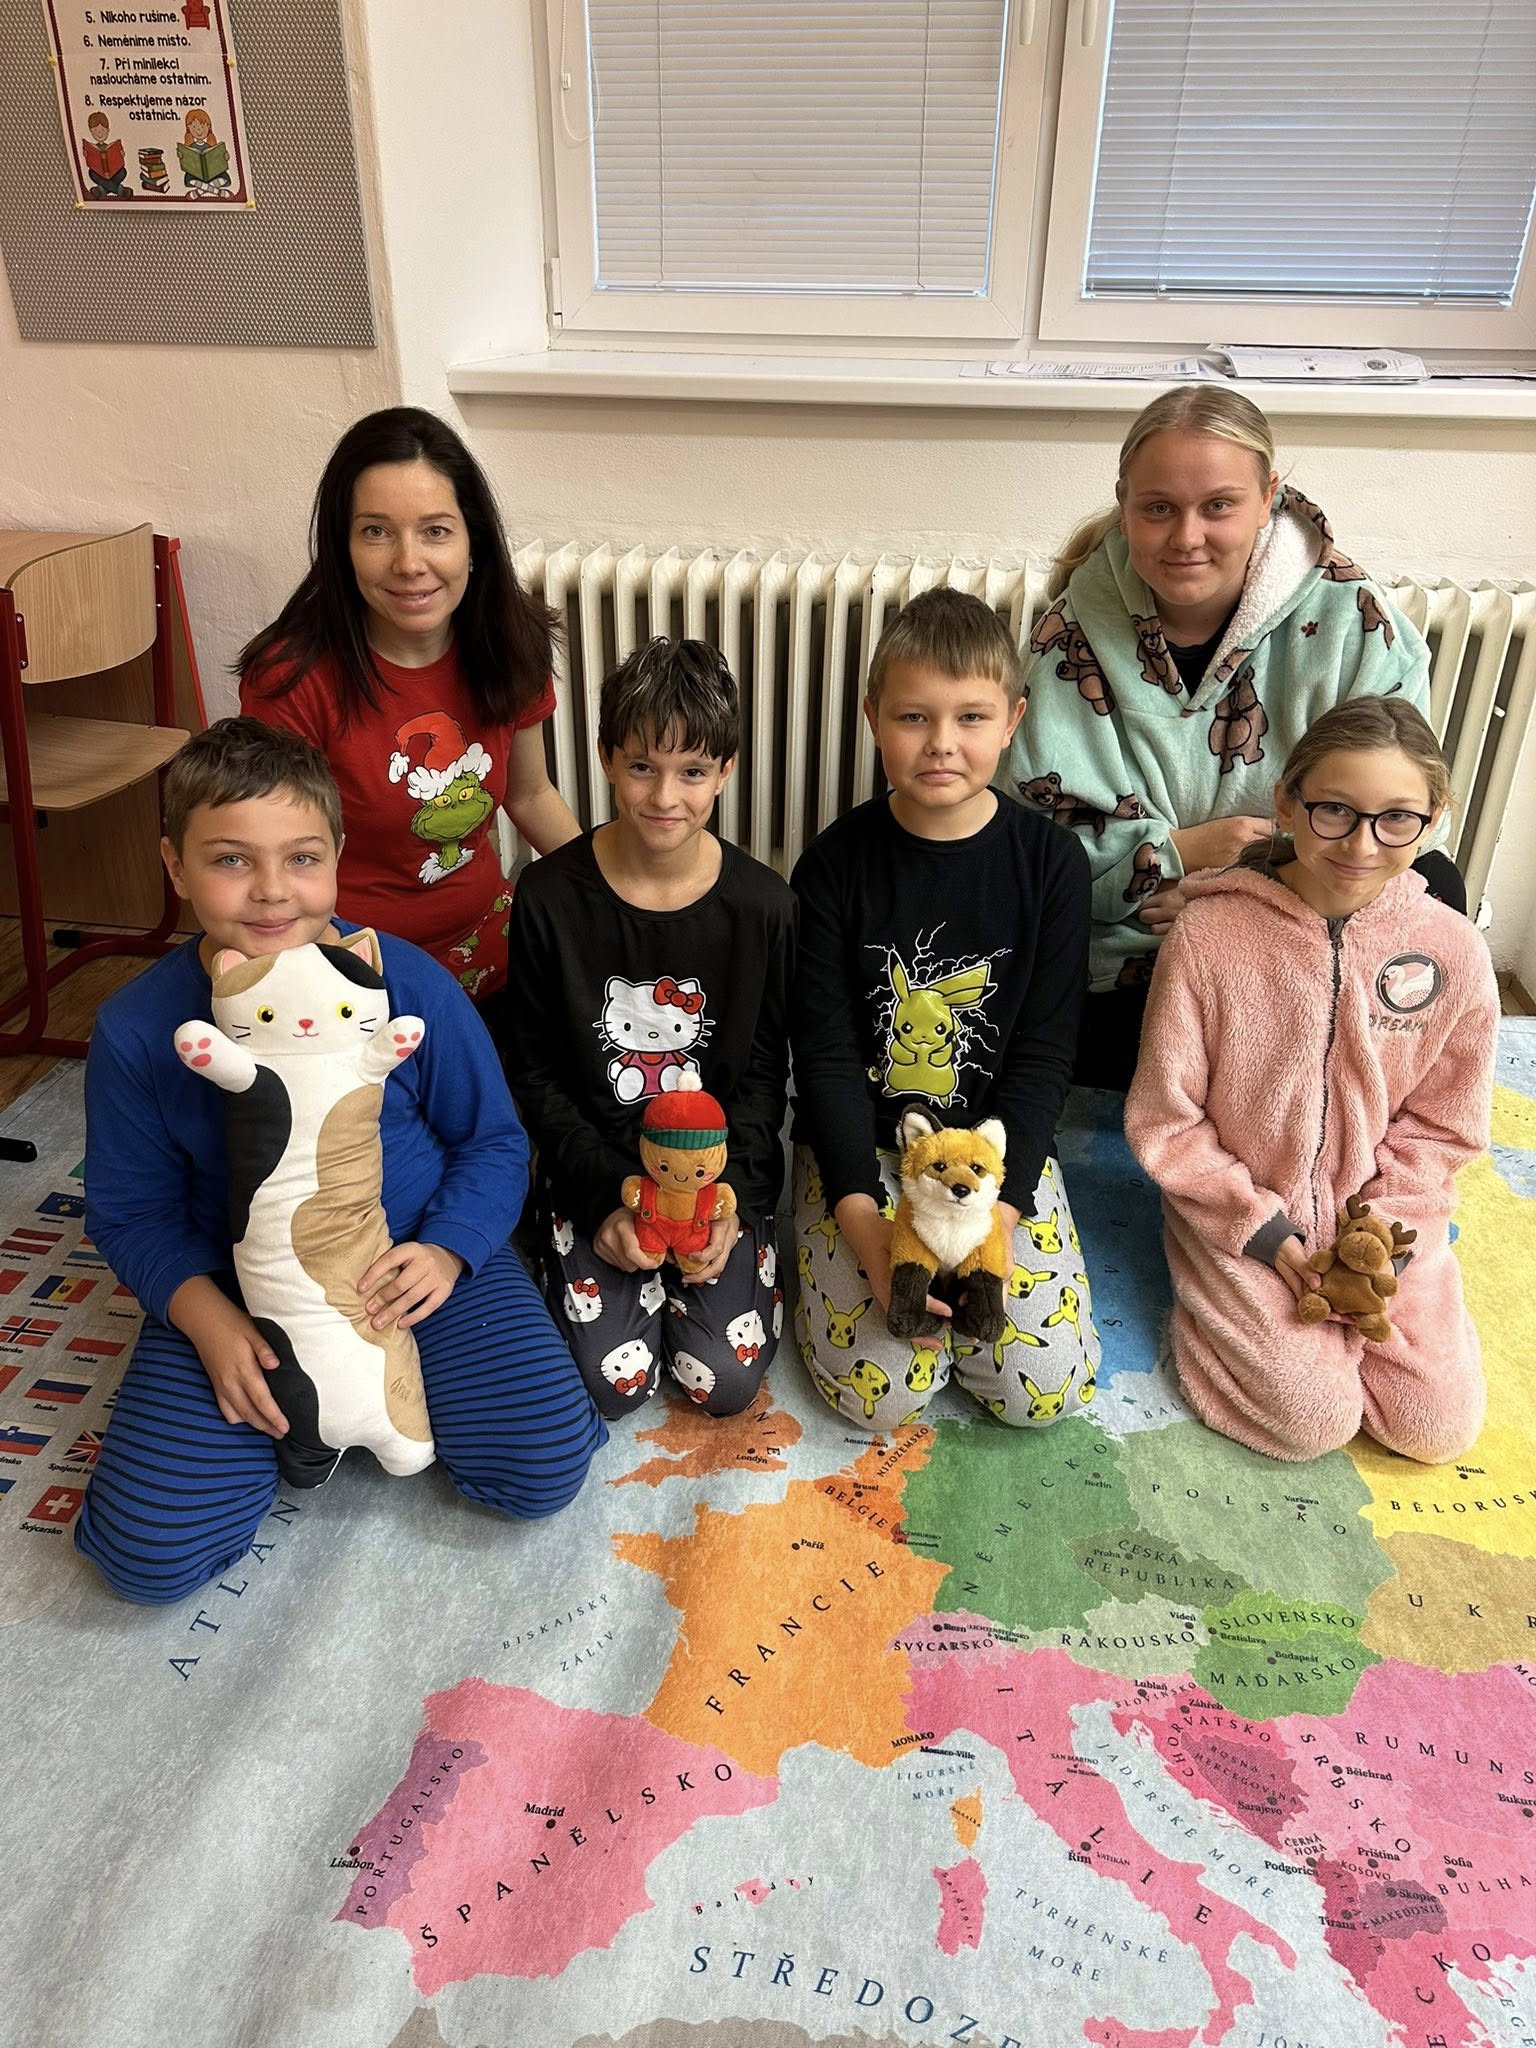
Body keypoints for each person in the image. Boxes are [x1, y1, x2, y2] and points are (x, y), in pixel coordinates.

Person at [75, 719, 603, 1605]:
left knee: (545, 1466)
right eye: (231, 860)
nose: (272, 891)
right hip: (245, 1295)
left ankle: (381, 1400)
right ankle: (307, 1425)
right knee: (146, 1555)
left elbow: (494, 1140)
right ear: (175, 867)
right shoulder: (136, 1028)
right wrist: (206, 1320)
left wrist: (449, 1251)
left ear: (338, 857)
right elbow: (130, 1213)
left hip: (410, 1266)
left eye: (302, 858)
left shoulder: (404, 980)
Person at [1008, 384, 1461, 1091]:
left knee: (1437, 888)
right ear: (1124, 504)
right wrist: (1179, 853)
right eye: (1159, 508)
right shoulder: (1065, 637)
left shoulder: (1357, 625)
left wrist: (1242, 887)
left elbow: (1399, 811)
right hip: (1133, 941)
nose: (1187, 537)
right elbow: (1033, 843)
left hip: (1300, 919)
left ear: (1268, 498)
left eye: (1218, 505)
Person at [1124, 699, 1497, 1465]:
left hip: (1386, 1228)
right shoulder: (1208, 936)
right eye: (1335, 812)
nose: (1361, 844)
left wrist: (1387, 1236)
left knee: (1436, 1429)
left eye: (1397, 819)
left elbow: (1445, 1126)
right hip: (1239, 1213)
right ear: (1288, 804)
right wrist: (1260, 1229)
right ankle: (1218, 1311)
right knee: (1308, 1422)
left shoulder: (1454, 952)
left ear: (1434, 821)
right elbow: (1167, 1120)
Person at [790, 588, 1100, 1434]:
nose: (941, 744)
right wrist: (866, 1226)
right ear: (873, 720)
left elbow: (1042, 1059)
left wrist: (992, 1227)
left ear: (1012, 721)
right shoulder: (831, 867)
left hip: (991, 1162)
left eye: (971, 717)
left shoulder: (1052, 866)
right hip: (867, 1151)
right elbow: (823, 1058)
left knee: (1044, 1392)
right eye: (913, 717)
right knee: (878, 1397)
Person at [501, 640, 794, 1422]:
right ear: (605, 758)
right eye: (642, 766)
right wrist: (605, 1200)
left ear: (725, 771)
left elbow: (765, 1077)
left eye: (693, 772)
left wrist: (734, 1203)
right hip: (594, 1171)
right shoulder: (546, 897)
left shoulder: (765, 907)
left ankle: (739, 1258)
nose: (665, 796)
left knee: (721, 1381)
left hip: (713, 1183)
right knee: (610, 1384)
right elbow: (534, 1074)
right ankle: (554, 1245)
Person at [240, 407, 579, 1002]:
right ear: (343, 547)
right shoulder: (290, 679)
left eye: (435, 531)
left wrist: (609, 892)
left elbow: (530, 795)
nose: (408, 563)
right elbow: (276, 861)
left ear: (473, 541)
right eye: (375, 531)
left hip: (488, 944)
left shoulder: (510, 642)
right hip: (350, 963)